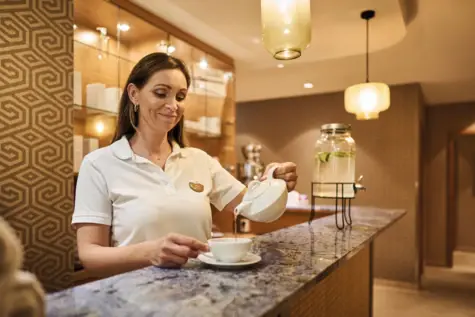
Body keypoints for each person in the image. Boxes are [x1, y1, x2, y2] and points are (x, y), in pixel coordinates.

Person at [73, 52, 298, 278]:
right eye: (161, 93)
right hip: (131, 299)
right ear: (134, 94)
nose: (173, 105)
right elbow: (90, 255)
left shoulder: (199, 160)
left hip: (200, 294)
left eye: (180, 97)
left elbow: (253, 207)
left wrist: (273, 182)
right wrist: (149, 252)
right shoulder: (99, 164)